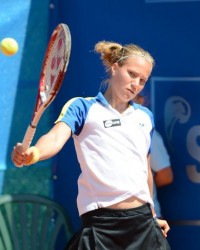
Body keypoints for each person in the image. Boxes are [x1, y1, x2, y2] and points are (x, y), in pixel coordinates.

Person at [11, 41, 171, 250]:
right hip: (101, 225)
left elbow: (145, 170)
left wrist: (152, 215)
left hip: (142, 224)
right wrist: (34, 153)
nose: (136, 84)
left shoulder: (145, 116)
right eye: (131, 74)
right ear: (115, 68)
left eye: (142, 80)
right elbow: (55, 138)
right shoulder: (82, 107)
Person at [133, 94, 174, 219]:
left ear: (141, 100)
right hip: (115, 219)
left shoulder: (147, 132)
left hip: (148, 217)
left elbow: (166, 176)